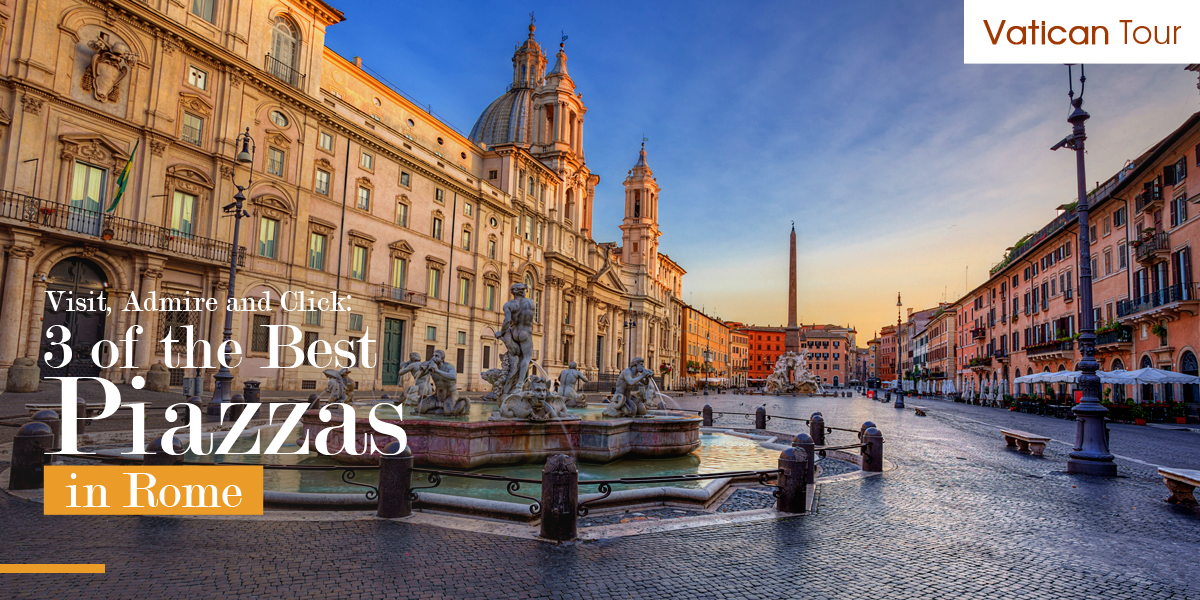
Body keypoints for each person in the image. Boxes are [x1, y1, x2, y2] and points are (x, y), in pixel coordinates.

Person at [496, 282, 536, 395]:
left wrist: (501, 332)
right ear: (523, 292)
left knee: (517, 357)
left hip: (514, 332)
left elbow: (507, 321)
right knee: (527, 357)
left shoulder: (508, 305)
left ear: (513, 293)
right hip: (525, 333)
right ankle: (519, 385)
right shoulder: (531, 303)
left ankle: (510, 383)